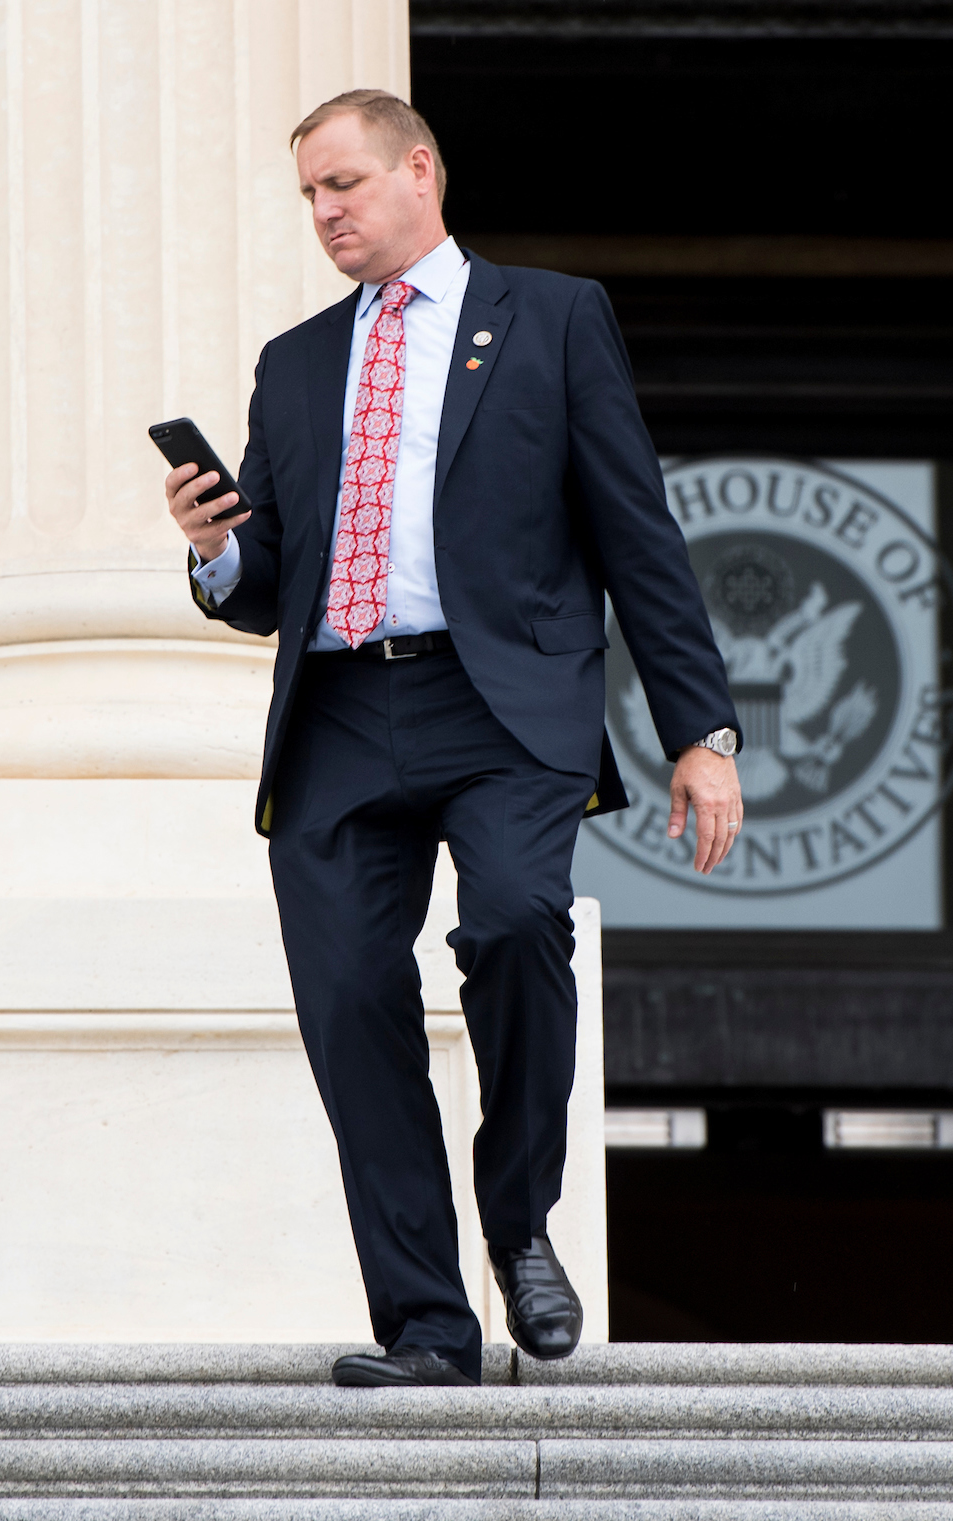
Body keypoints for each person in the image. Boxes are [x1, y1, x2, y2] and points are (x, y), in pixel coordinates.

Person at [165, 90, 741, 1388]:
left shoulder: (549, 318)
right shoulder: (295, 364)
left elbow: (636, 533)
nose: (326, 213)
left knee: (518, 922)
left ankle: (520, 1218)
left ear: (421, 171)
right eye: (310, 195)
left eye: (346, 184)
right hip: (337, 721)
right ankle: (427, 1322)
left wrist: (698, 726)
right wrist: (217, 550)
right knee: (353, 1004)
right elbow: (274, 586)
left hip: (503, 706)